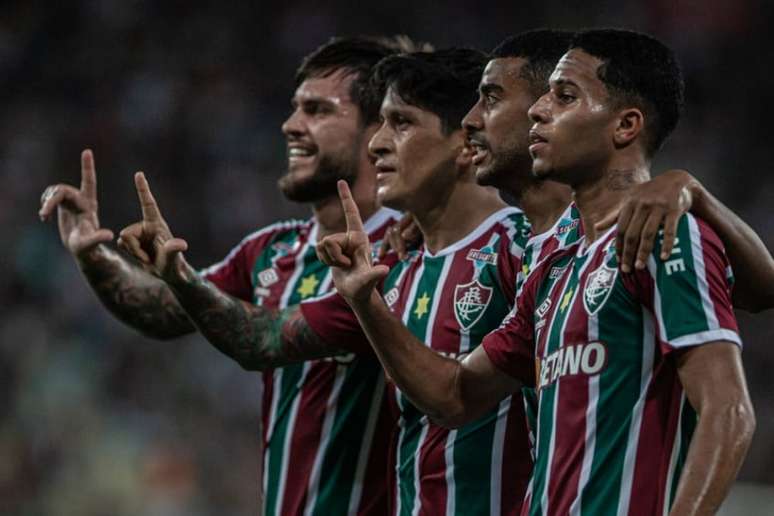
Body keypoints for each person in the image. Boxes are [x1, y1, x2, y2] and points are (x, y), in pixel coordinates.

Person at [319, 29, 755, 515]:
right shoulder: (552, 268)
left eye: (564, 96)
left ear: (626, 125)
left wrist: (690, 187)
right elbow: (456, 396)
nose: (538, 111)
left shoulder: (664, 234)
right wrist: (365, 298)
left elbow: (729, 412)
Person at [38, 36, 417, 515]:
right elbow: (161, 312)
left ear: (376, 131)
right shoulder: (272, 250)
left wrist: (182, 279)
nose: (291, 126)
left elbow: (256, 340)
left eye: (318, 111)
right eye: (294, 108)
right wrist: (93, 252)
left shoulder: (403, 250)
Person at [306, 48, 534, 515]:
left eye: (402, 123)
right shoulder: (397, 266)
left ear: (467, 145)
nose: (377, 144)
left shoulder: (524, 250)